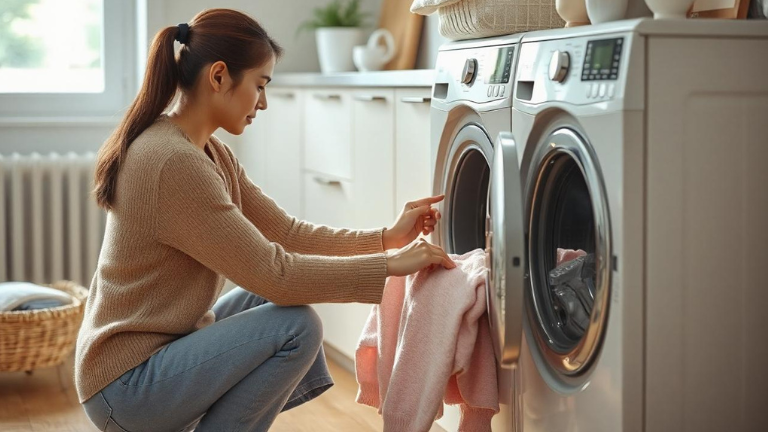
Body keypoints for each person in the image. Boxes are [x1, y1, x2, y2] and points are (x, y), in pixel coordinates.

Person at [75, 8, 456, 432]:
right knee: (296, 326)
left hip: (154, 355)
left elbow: (286, 233)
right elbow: (276, 274)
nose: (264, 102)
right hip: (127, 387)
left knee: (271, 307)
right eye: (260, 85)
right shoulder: (172, 163)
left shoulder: (208, 152)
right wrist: (388, 268)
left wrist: (386, 238)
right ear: (219, 77)